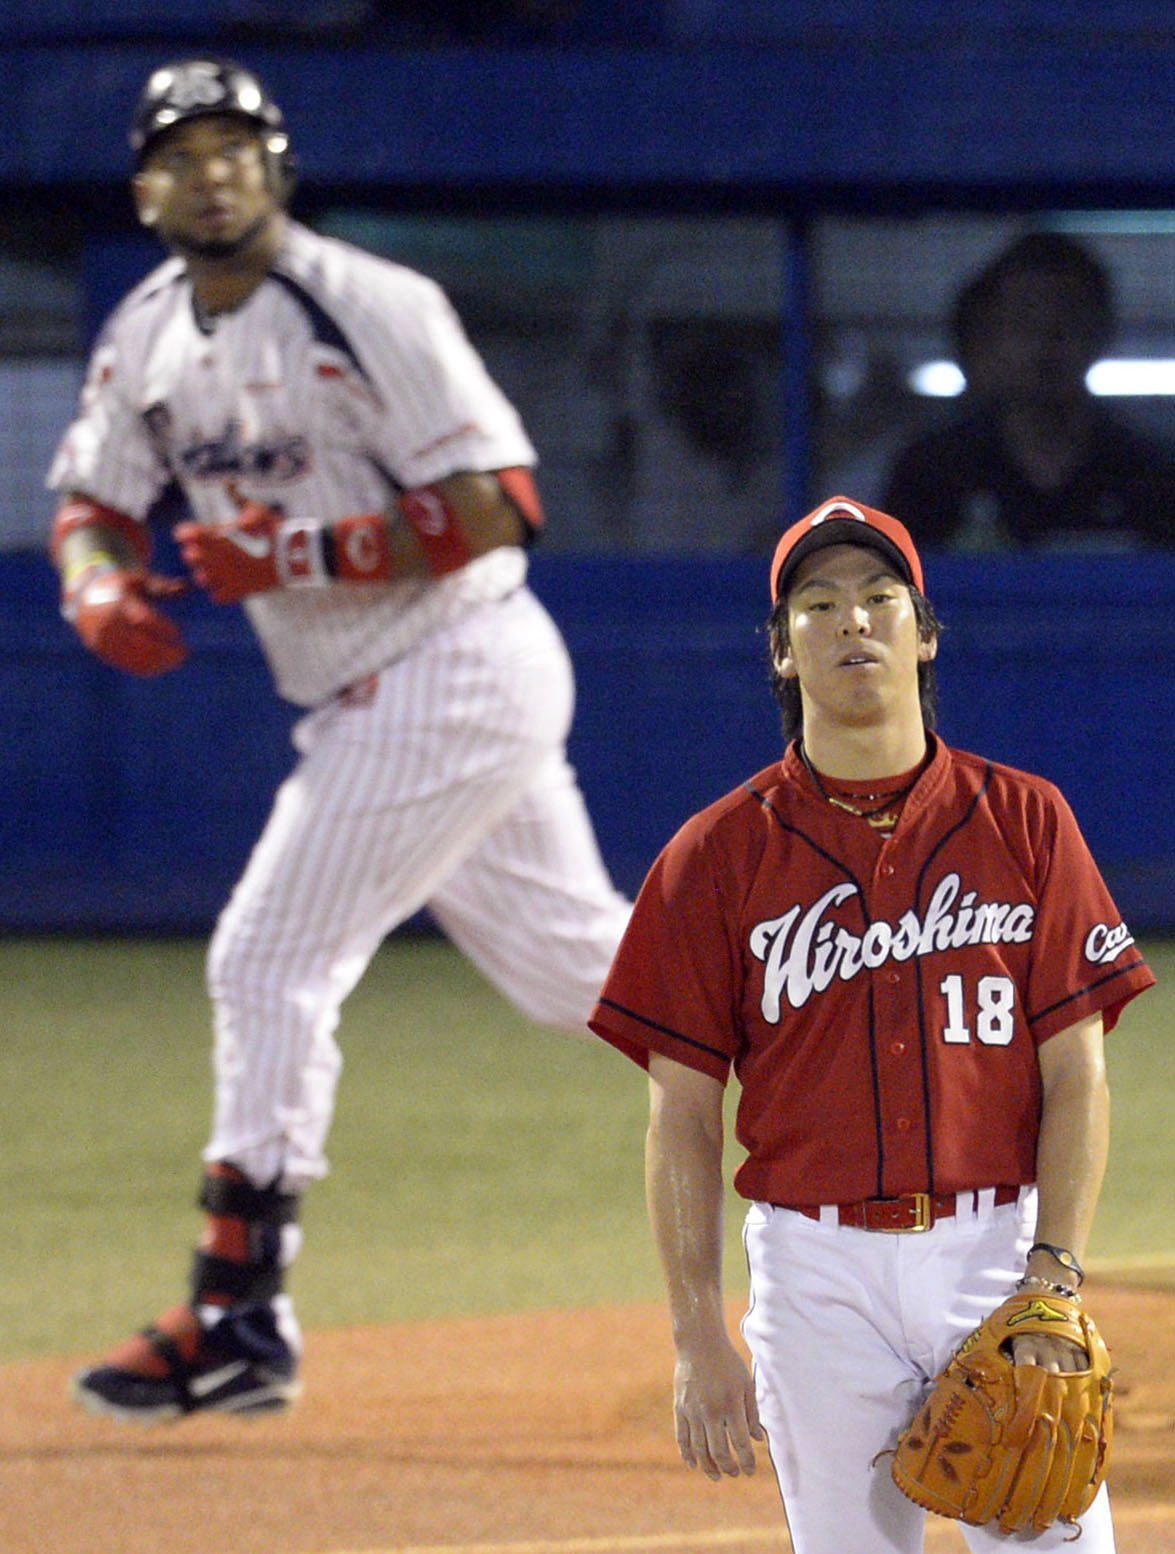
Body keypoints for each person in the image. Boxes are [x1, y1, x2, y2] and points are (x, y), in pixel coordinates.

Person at [49, 56, 631, 1425]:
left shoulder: (369, 302)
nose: (211, 172)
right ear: (146, 188)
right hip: (398, 683)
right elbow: (91, 491)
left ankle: (236, 1309)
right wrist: (92, 584)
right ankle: (872, 1040)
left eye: (234, 147)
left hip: (450, 661)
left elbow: (502, 502)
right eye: (182, 154)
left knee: (268, 956)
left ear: (275, 167)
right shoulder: (143, 332)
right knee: (586, 981)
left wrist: (296, 551)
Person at [588, 494, 1155, 1553]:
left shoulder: (1025, 820)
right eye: (817, 604)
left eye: (878, 597)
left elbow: (1076, 1077)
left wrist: (1051, 1281)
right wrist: (694, 1334)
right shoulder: (712, 858)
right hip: (814, 1274)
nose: (851, 621)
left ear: (923, 632)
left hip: (997, 1256)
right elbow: (680, 1119)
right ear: (781, 652)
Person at [881, 231, 1175, 551]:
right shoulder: (933, 473)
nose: (1045, 344)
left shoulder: (1152, 475)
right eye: (1025, 322)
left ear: (1100, 334)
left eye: (1066, 323)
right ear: (992, 334)